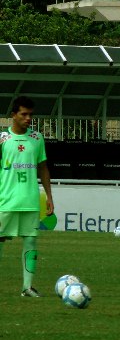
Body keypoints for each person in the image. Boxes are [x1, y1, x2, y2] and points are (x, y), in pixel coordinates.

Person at [0, 96, 54, 297]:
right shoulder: (2, 139)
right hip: (5, 200)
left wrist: (49, 196)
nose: (28, 118)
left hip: (30, 200)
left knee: (31, 241)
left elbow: (43, 168)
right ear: (13, 115)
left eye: (30, 114)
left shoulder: (37, 138)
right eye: (24, 114)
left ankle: (27, 287)